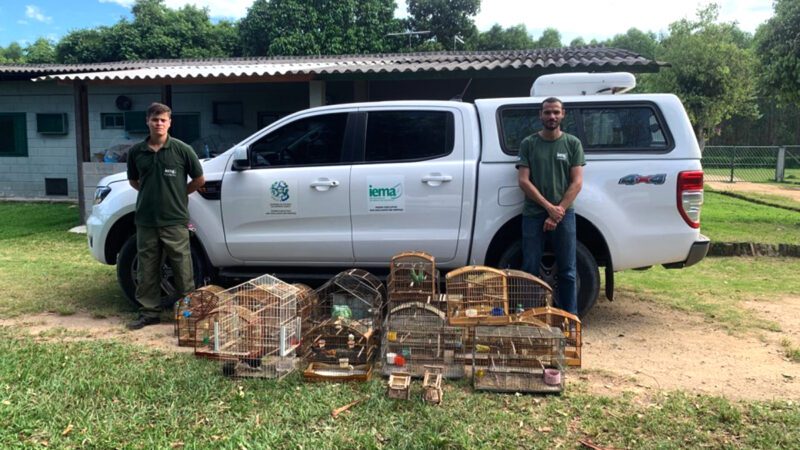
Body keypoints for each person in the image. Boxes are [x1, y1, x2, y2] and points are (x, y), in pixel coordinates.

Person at [126, 102, 205, 330]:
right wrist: (151, 193)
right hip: (146, 221)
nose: (158, 123)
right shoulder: (136, 152)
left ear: (170, 123)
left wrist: (180, 193)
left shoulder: (182, 150)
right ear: (147, 122)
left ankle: (189, 315)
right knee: (147, 269)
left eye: (163, 120)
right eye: (154, 119)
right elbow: (134, 180)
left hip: (175, 220)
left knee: (183, 269)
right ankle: (149, 313)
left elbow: (199, 180)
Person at [516, 97, 585, 315]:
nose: (551, 116)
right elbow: (523, 181)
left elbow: (577, 182)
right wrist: (549, 208)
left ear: (563, 114)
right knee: (529, 270)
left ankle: (569, 319)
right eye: (547, 112)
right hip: (533, 214)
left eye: (556, 112)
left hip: (565, 214)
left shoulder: (573, 143)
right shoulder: (529, 144)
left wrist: (558, 212)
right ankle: (531, 318)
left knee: (567, 270)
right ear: (540, 115)